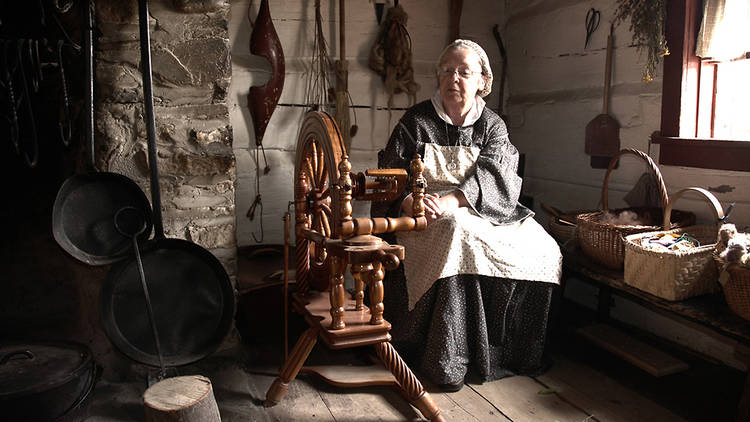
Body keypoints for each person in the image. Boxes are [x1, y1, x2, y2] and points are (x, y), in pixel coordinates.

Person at [371, 39, 562, 392]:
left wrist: (453, 200)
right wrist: (406, 202)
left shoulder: (493, 126)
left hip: (482, 207)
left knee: (545, 246)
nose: (453, 78)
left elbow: (496, 175)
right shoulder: (416, 121)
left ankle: (512, 353)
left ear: (481, 81)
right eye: (447, 70)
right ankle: (445, 359)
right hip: (424, 214)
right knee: (458, 234)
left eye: (463, 71)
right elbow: (392, 172)